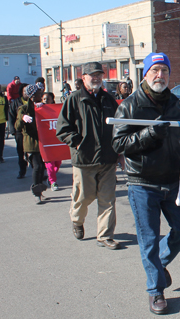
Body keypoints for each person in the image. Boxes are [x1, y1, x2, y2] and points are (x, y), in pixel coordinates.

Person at [112, 52, 180, 315]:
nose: (160, 76)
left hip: (172, 181)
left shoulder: (174, 103)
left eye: (165, 71)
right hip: (142, 182)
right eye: (155, 70)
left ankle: (157, 265)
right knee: (148, 239)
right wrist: (148, 134)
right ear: (146, 73)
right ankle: (155, 291)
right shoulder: (129, 105)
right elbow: (118, 143)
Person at [56, 62, 121, 250]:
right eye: (92, 75)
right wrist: (78, 142)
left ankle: (105, 236)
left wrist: (119, 151)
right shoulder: (74, 99)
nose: (97, 78)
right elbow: (62, 129)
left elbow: (118, 127)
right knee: (83, 197)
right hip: (84, 159)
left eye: (99, 75)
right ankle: (77, 220)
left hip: (108, 159)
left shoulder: (109, 100)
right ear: (83, 77)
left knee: (107, 199)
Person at [15, 83, 47, 204]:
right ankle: (36, 191)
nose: (41, 96)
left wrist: (43, 108)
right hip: (31, 142)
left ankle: (39, 189)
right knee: (37, 166)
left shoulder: (41, 107)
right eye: (39, 94)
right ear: (32, 96)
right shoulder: (23, 109)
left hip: (42, 141)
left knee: (41, 167)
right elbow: (17, 126)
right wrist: (23, 118)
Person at [9, 83, 30, 179]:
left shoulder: (33, 102)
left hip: (31, 132)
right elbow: (11, 116)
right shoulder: (16, 103)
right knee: (20, 152)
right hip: (20, 132)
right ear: (21, 92)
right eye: (25, 91)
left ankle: (38, 171)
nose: (27, 93)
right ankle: (22, 170)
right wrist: (13, 130)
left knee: (33, 152)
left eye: (28, 90)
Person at [42, 92, 62, 191]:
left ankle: (51, 176)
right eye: (44, 99)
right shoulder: (39, 110)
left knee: (57, 164)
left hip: (56, 141)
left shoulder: (56, 110)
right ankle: (53, 181)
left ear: (52, 100)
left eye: (47, 99)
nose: (45, 101)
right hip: (46, 142)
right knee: (50, 164)